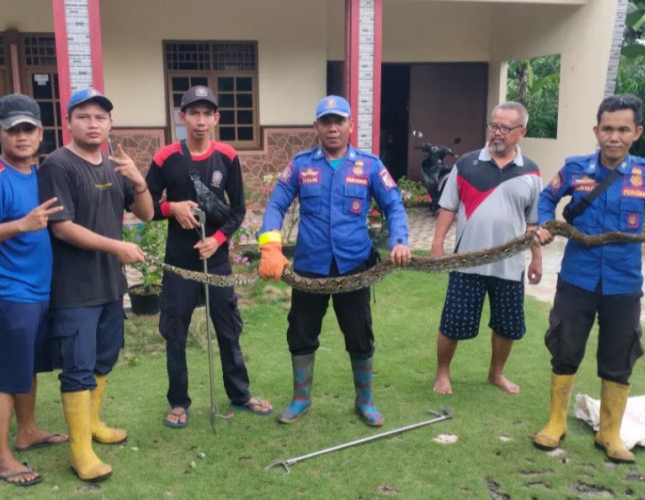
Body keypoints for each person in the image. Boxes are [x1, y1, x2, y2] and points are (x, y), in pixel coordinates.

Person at [258, 95, 411, 427]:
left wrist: (399, 241)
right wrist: (271, 246)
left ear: (350, 126)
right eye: (325, 122)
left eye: (339, 121)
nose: (332, 128)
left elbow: (394, 205)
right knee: (301, 331)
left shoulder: (369, 165)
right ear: (316, 126)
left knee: (359, 332)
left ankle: (365, 401)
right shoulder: (300, 165)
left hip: (354, 267)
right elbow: (276, 205)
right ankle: (301, 399)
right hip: (309, 269)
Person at [38, 88, 154, 481]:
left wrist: (138, 181)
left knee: (105, 358)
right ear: (68, 121)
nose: (93, 123)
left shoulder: (112, 165)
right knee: (78, 367)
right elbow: (63, 227)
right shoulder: (57, 165)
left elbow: (147, 213)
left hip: (110, 285)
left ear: (110, 124)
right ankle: (79, 450)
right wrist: (117, 246)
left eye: (100, 117)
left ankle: (93, 424)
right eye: (84, 116)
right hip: (74, 289)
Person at [145, 85, 272, 429]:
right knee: (175, 333)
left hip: (215, 261)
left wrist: (217, 240)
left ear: (216, 119)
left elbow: (239, 210)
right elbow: (145, 207)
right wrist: (172, 208)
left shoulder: (228, 157)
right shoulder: (165, 158)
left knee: (228, 329)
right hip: (178, 262)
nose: (200, 121)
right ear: (181, 117)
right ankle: (179, 402)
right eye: (193, 113)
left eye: (207, 114)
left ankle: (240, 394)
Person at [0, 93, 68, 486]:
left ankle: (27, 432)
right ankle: (1, 458)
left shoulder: (38, 173)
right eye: (13, 130)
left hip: (36, 292)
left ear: (40, 133)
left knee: (28, 368)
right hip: (6, 294)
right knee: (5, 376)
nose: (22, 137)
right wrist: (20, 225)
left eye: (29, 129)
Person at [532, 94, 644, 463]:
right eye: (607, 128)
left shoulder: (642, 175)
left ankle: (609, 433)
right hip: (577, 278)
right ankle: (556, 422)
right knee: (565, 348)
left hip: (624, 283)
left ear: (636, 132)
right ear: (596, 130)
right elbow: (546, 199)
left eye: (623, 129)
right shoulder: (575, 169)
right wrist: (544, 226)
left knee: (618, 356)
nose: (614, 137)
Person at [431, 101, 543, 395]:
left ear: (521, 132)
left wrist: (536, 259)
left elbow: (533, 223)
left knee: (507, 325)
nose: (497, 133)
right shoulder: (467, 164)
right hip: (467, 263)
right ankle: (443, 373)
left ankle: (496, 373)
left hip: (510, 266)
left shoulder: (531, 172)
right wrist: (437, 244)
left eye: (505, 128)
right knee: (452, 322)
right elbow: (447, 207)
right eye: (493, 126)